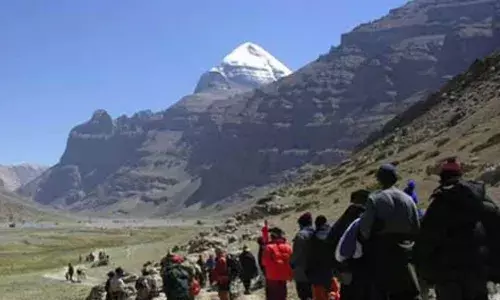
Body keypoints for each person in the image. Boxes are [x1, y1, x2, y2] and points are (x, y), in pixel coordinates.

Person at [414, 157, 500, 300]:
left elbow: (426, 242)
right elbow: (496, 230)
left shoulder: (439, 204)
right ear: (460, 175)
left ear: (442, 178)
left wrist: (426, 274)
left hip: (449, 276)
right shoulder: (480, 199)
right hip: (477, 270)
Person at [359, 164, 421, 300]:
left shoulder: (375, 199)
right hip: (406, 256)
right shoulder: (408, 199)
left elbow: (365, 231)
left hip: (382, 257)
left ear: (380, 180)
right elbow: (416, 228)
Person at [329, 189, 371, 300]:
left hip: (345, 272)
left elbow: (330, 241)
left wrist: (337, 268)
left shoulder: (343, 219)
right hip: (364, 270)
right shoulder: (363, 219)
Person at [307, 215, 336, 300]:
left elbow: (310, 256)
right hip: (329, 272)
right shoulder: (332, 235)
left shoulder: (313, 238)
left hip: (316, 274)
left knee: (320, 296)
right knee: (333, 293)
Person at [262, 227, 293, 300]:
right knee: (282, 295)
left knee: (272, 296)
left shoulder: (268, 247)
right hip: (284, 276)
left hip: (272, 277)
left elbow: (264, 262)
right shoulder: (288, 247)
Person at [291, 212, 314, 300]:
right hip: (317, 270)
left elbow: (296, 253)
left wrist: (291, 263)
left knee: (304, 294)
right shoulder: (317, 232)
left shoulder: (300, 235)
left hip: (302, 271)